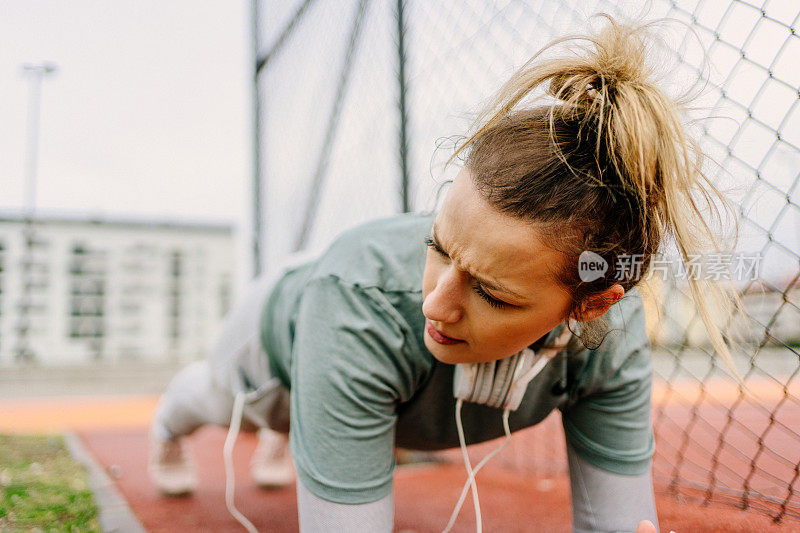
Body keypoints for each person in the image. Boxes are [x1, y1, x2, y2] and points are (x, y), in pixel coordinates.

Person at [148, 15, 742, 533]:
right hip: (284, 328)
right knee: (217, 401)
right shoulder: (359, 311)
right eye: (437, 246)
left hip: (360, 329)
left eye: (492, 293)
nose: (436, 304)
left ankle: (302, 431)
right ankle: (172, 431)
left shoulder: (610, 338)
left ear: (592, 305)